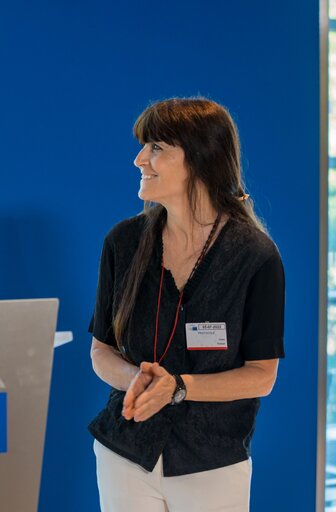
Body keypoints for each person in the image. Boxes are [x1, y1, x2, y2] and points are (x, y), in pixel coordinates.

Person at [88, 98, 285, 512]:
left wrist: (178, 388)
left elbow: (261, 375)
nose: (140, 158)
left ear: (200, 159)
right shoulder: (122, 243)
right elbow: (101, 351)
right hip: (125, 454)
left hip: (210, 464)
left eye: (157, 147)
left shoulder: (255, 257)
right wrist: (135, 380)